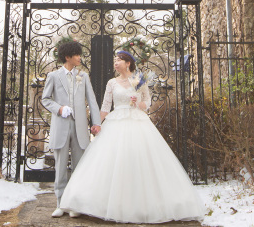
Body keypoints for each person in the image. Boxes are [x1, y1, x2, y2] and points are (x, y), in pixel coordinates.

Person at [59, 48, 205, 223]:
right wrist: (97, 123)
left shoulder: (138, 79)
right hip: (116, 122)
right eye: (115, 60)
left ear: (128, 63)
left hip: (137, 121)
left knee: (140, 159)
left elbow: (147, 102)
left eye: (119, 60)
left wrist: (138, 103)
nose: (115, 63)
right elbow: (105, 106)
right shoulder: (112, 82)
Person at [41, 39, 102, 218]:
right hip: (61, 126)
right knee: (60, 167)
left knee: (79, 167)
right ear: (67, 57)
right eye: (76, 55)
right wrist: (59, 109)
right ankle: (61, 204)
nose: (79, 58)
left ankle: (76, 204)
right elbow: (45, 99)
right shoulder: (53, 76)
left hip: (80, 127)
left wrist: (96, 123)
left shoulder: (84, 76)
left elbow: (92, 100)